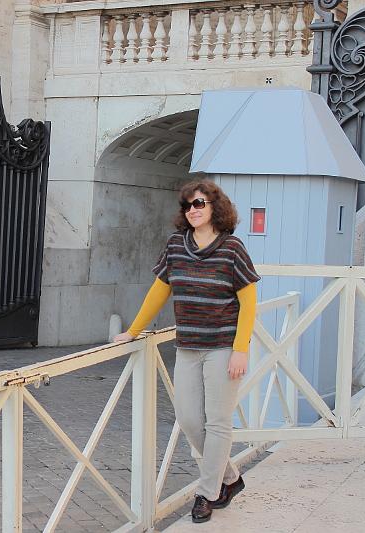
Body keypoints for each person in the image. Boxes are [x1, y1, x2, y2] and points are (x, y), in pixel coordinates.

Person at [113, 180, 259, 523]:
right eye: (188, 206)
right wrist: (133, 330)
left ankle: (207, 493)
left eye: (199, 204)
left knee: (218, 421)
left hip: (223, 347)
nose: (192, 210)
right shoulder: (176, 246)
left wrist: (241, 349)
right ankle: (230, 478)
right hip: (189, 346)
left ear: (215, 208)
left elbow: (248, 302)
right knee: (190, 419)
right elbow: (159, 291)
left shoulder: (232, 248)